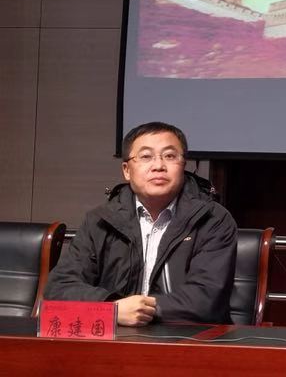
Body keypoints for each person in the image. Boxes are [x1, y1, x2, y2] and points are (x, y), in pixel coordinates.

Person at [44, 122, 237, 326]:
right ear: (127, 170)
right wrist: (112, 309)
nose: (158, 166)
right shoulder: (100, 221)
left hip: (187, 338)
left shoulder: (213, 219)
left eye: (170, 156)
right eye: (146, 156)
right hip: (114, 337)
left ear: (183, 165)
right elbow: (59, 288)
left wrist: (143, 310)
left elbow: (206, 300)